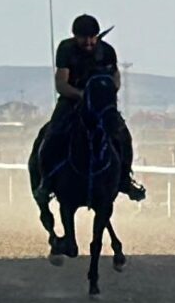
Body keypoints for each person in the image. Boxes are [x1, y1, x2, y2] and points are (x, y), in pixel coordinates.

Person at [46, 13, 144, 200]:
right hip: (72, 99)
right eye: (84, 38)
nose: (89, 42)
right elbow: (61, 84)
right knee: (54, 131)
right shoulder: (66, 49)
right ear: (75, 36)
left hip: (99, 102)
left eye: (92, 37)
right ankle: (46, 180)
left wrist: (105, 95)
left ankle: (124, 178)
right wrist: (82, 95)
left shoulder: (107, 51)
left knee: (122, 134)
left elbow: (115, 77)